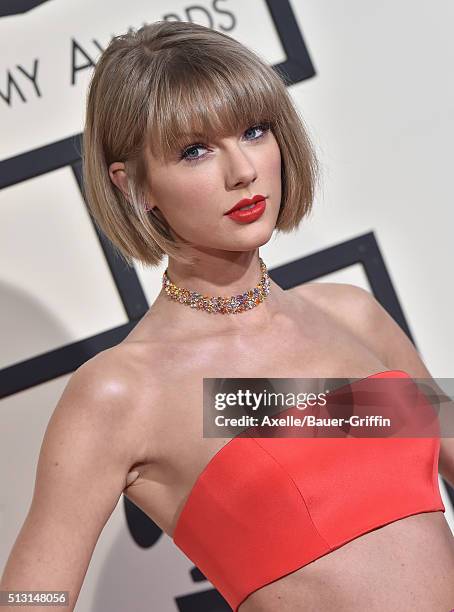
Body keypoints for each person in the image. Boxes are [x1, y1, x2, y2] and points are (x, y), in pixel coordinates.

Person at [2, 19, 454, 612]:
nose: (241, 170)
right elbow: (32, 597)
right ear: (135, 185)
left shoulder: (351, 315)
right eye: (195, 151)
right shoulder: (123, 390)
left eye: (254, 130)